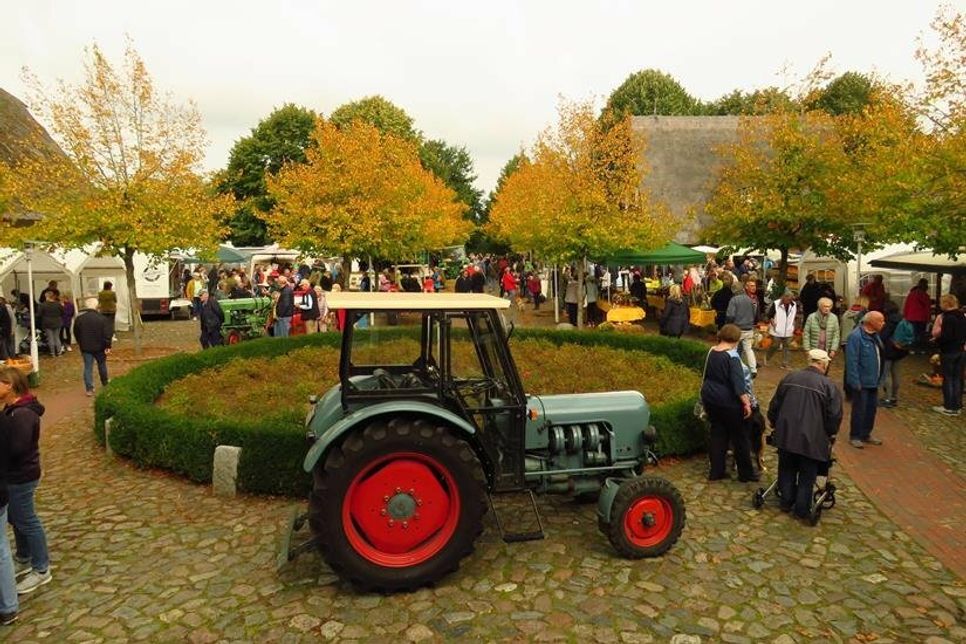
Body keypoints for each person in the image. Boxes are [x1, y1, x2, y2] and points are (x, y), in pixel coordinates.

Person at [767, 349, 842, 520]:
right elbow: (834, 415)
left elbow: (775, 404)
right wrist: (830, 434)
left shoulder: (790, 378)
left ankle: (786, 501)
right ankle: (801, 509)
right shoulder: (829, 386)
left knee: (786, 468)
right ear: (823, 364)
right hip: (812, 439)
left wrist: (774, 422)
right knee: (807, 475)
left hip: (786, 434)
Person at [0, 367, 51, 595]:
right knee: (16, 517)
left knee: (27, 519)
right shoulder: (13, 410)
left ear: (9, 385)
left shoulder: (22, 414)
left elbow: (17, 448)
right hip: (15, 474)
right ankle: (24, 556)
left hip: (21, 475)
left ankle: (41, 569)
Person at [700, 324, 757, 482]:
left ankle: (716, 471)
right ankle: (746, 474)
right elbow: (738, 384)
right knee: (740, 437)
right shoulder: (732, 356)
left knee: (718, 433)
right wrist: (746, 403)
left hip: (710, 397)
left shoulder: (712, 351)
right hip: (728, 401)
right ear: (737, 339)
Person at [845, 311, 886, 448]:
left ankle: (866, 433)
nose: (883, 323)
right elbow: (852, 361)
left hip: (874, 381)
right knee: (859, 409)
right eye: (880, 320)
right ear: (870, 322)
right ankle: (855, 435)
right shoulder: (856, 337)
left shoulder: (875, 336)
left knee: (871, 409)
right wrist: (854, 381)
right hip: (862, 381)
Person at [932, 294, 966, 416]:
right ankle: (957, 405)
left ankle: (949, 406)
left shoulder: (948, 317)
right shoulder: (962, 315)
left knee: (948, 379)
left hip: (949, 351)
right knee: (958, 379)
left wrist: (936, 341)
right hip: (961, 350)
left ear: (946, 304)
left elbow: (946, 336)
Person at [73, 297, 112, 396]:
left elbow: (76, 333)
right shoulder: (102, 318)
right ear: (96, 306)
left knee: (88, 367)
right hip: (100, 346)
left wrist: (80, 343)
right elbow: (107, 334)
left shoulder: (79, 319)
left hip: (86, 346)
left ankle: (89, 388)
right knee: (102, 365)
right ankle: (105, 383)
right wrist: (108, 346)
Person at [878, 301, 911, 408]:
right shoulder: (903, 319)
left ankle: (887, 398)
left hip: (888, 350)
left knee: (886, 374)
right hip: (901, 351)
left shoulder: (888, 320)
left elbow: (883, 336)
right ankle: (894, 397)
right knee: (896, 374)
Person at [726, 279, 760, 376]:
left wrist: (728, 324)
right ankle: (753, 369)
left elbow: (730, 315)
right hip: (749, 329)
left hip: (737, 329)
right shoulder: (750, 299)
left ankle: (735, 368)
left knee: (734, 349)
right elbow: (754, 313)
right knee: (748, 350)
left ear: (734, 290)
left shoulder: (734, 300)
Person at [764, 290, 797, 369]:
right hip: (777, 330)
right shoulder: (776, 304)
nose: (789, 301)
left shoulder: (794, 304)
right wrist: (773, 323)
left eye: (791, 299)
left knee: (787, 346)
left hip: (788, 329)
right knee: (775, 345)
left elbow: (794, 315)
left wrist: (793, 324)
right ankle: (767, 357)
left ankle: (785, 363)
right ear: (783, 297)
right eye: (788, 299)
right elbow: (770, 315)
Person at [803, 297, 841, 364]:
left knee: (825, 369)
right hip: (814, 349)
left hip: (827, 350)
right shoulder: (811, 317)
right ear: (820, 306)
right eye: (825, 306)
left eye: (829, 307)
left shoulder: (834, 318)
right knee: (813, 369)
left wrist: (833, 349)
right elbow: (806, 334)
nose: (827, 308)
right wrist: (807, 349)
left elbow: (836, 335)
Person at [903, 278, 932, 351]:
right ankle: (920, 349)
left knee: (913, 333)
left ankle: (913, 349)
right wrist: (929, 318)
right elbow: (927, 308)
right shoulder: (925, 295)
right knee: (921, 334)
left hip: (911, 317)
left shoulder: (911, 294)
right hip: (922, 318)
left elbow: (906, 305)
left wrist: (905, 316)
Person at [37, 291, 64, 357]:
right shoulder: (58, 304)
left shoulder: (42, 305)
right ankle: (59, 352)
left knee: (50, 338)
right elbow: (62, 312)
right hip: (57, 322)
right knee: (57, 338)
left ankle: (52, 353)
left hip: (47, 323)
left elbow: (39, 314)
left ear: (47, 297)